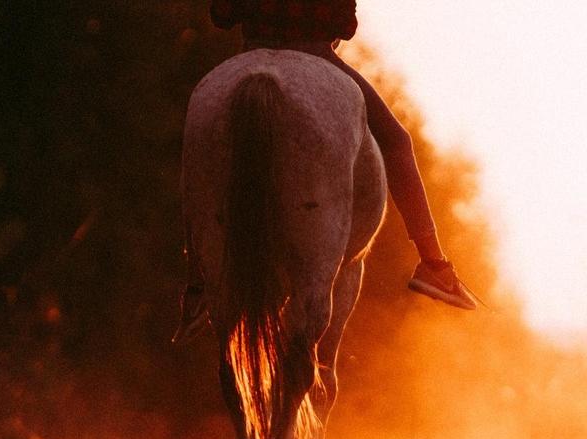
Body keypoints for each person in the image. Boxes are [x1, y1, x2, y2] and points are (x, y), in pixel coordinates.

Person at [174, 0, 477, 344]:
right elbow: (346, 25)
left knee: (196, 141)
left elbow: (222, 14)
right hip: (317, 54)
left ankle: (197, 279)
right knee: (397, 142)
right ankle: (433, 266)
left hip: (251, 48)